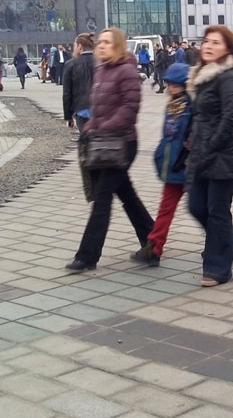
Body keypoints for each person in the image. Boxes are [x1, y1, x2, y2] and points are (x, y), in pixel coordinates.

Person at [66, 28, 154, 271]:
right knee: (127, 196)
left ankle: (87, 256)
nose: (101, 46)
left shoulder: (126, 71)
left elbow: (129, 109)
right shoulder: (102, 70)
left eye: (107, 42)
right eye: (100, 42)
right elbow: (98, 109)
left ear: (118, 46)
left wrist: (100, 127)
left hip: (122, 144)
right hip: (104, 142)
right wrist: (91, 127)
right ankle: (153, 242)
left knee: (102, 198)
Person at [185, 25, 233, 286]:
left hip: (222, 156)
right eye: (206, 41)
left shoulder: (227, 77)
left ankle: (217, 268)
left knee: (217, 211)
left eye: (216, 43)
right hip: (201, 153)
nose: (208, 46)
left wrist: (211, 144)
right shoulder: (202, 76)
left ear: (228, 49)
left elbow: (231, 117)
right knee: (196, 206)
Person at [131, 62, 193, 267]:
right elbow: (167, 137)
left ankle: (227, 243)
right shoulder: (172, 105)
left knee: (203, 210)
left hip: (187, 165)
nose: (171, 87)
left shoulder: (191, 106)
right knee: (167, 209)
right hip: (173, 166)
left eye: (176, 84)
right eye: (169, 84)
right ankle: (155, 248)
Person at [62, 33, 95, 134]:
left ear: (79, 46)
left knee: (86, 142)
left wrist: (68, 117)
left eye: (74, 46)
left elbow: (67, 93)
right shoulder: (101, 62)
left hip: (82, 110)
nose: (74, 49)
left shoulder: (70, 65)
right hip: (101, 110)